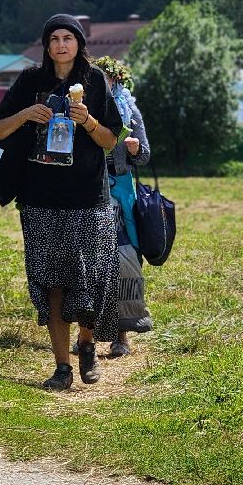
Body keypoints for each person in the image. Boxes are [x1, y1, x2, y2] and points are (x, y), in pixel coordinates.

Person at [0, 14, 122, 391]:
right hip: (40, 199)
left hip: (88, 197)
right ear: (46, 46)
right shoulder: (30, 81)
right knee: (51, 283)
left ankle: (87, 343)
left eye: (68, 37)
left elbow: (111, 141)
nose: (61, 44)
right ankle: (62, 367)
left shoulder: (96, 81)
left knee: (91, 280)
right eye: (54, 39)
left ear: (79, 44)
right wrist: (27, 114)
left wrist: (89, 122)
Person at [93, 55, 152, 358]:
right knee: (89, 261)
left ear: (116, 80)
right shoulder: (82, 110)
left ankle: (122, 334)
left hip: (120, 190)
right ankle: (86, 334)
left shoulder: (130, 112)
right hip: (88, 190)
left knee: (124, 257)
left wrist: (136, 148)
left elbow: (145, 157)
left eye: (105, 77)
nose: (100, 81)